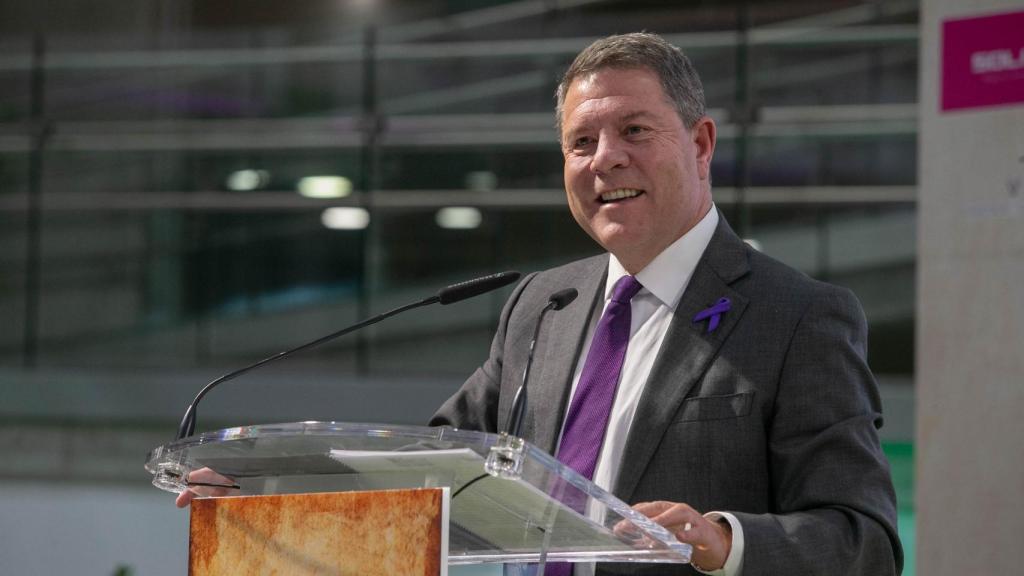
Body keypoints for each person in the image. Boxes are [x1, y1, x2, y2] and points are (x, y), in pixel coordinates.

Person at [430, 32, 902, 576]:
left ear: (700, 145)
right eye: (581, 142)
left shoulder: (799, 317)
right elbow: (439, 458)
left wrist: (725, 543)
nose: (606, 159)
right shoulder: (540, 304)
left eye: (634, 130)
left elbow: (863, 543)